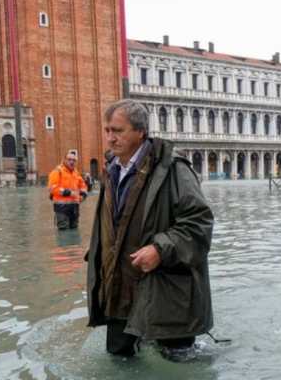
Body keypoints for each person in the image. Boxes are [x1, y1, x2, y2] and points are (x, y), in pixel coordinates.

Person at [85, 99, 214, 361]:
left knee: (176, 365)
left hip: (166, 291)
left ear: (140, 131)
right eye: (107, 130)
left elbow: (199, 223)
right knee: (119, 359)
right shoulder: (111, 170)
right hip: (118, 287)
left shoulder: (174, 169)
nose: (110, 138)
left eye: (118, 131)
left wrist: (160, 249)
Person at [47, 151, 88, 230]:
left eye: (74, 160)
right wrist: (69, 193)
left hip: (74, 208)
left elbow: (83, 186)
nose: (72, 162)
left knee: (74, 228)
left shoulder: (76, 173)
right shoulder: (57, 171)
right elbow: (52, 188)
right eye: (69, 159)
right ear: (64, 160)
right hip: (62, 208)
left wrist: (83, 195)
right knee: (63, 230)